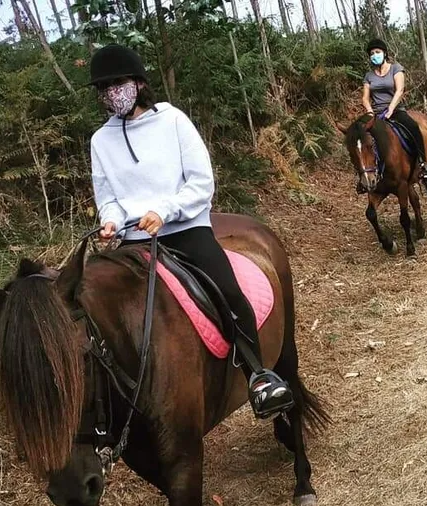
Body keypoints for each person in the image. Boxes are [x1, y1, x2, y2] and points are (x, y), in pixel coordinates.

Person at [87, 44, 293, 420]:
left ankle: (259, 375)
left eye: (117, 83)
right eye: (104, 88)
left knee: (228, 290)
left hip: (184, 228)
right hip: (133, 241)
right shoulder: (100, 141)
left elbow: (201, 183)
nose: (111, 93)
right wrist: (112, 220)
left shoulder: (173, 121)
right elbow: (108, 197)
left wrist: (163, 211)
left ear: (137, 83)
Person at [362, 38, 427, 180]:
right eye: (372, 53)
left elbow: (399, 90)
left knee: (413, 127)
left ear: (384, 53)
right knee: (362, 138)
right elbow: (365, 98)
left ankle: (423, 163)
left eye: (377, 52)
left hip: (395, 110)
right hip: (376, 113)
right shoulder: (368, 76)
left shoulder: (396, 68)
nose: (374, 55)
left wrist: (391, 109)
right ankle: (367, 173)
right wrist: (370, 111)